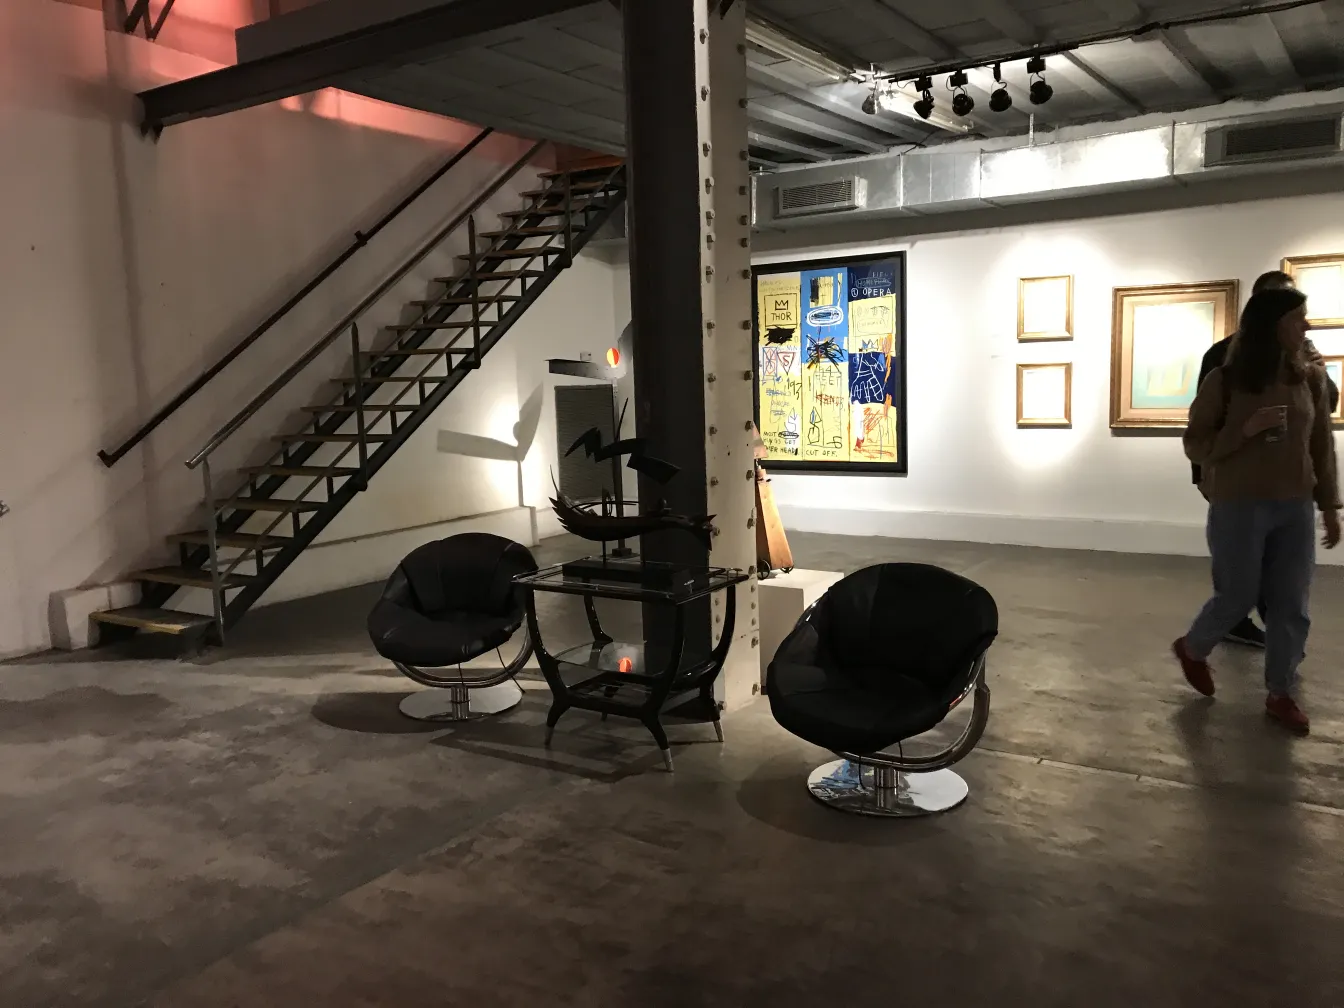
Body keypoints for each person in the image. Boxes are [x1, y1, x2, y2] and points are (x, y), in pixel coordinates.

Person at [1174, 287, 1341, 734]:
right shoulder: (1227, 381)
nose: (1305, 327)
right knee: (1238, 595)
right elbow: (1197, 443)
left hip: (1294, 507)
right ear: (1271, 326)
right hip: (1239, 504)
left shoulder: (1310, 380)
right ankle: (1193, 648)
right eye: (1296, 319)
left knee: (1291, 603)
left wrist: (1329, 506)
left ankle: (1280, 692)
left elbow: (1322, 445)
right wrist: (1245, 429)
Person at [1191, 270, 1339, 648]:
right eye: (1287, 306)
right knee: (1240, 583)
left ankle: (1282, 677)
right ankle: (1220, 631)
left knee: (1289, 592)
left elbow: (1323, 423)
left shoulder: (1307, 368)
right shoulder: (1224, 360)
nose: (1303, 322)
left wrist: (1329, 505)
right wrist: (1207, 476)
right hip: (1236, 486)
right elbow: (1201, 433)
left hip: (1291, 491)